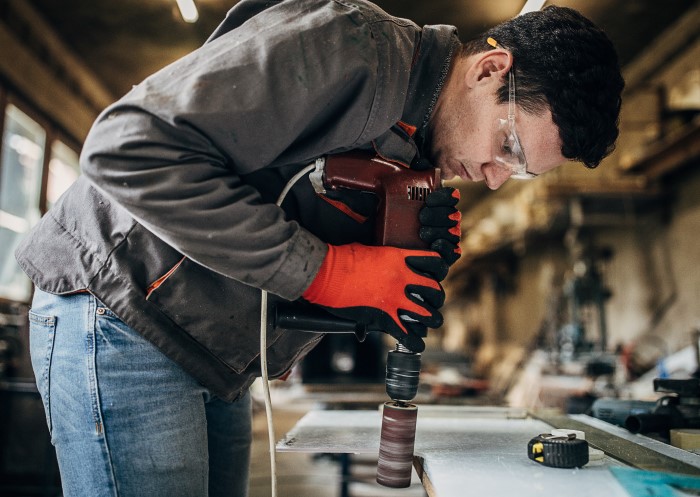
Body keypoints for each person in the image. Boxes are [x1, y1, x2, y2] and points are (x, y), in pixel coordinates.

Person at [15, 0, 623, 495]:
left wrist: (377, 277)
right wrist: (328, 272)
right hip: (121, 311)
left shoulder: (414, 143)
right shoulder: (351, 50)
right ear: (490, 69)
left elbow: (276, 218)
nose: (494, 174)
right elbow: (126, 148)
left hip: (207, 349)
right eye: (510, 147)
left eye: (518, 172)